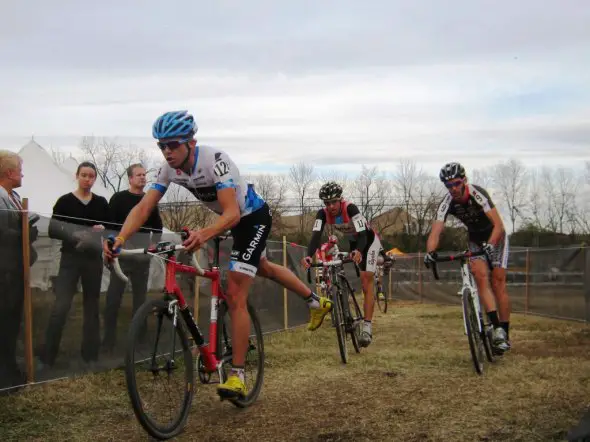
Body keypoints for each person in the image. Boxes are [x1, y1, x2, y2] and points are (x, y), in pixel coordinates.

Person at [103, 110, 333, 400]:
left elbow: (233, 213)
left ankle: (237, 375)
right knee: (262, 267)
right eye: (161, 145)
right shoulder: (168, 169)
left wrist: (205, 233)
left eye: (172, 144)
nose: (167, 151)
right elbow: (143, 207)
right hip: (229, 218)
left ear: (191, 142)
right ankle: (314, 301)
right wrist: (120, 238)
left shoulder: (216, 161)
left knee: (236, 289)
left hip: (251, 217)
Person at [424, 162, 511, 353]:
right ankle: (495, 327)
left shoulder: (477, 194)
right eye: (448, 186)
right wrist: (429, 252)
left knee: (497, 282)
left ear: (464, 181)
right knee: (480, 277)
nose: (453, 189)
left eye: (456, 184)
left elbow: (499, 225)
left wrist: (491, 244)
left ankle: (504, 332)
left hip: (496, 237)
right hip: (475, 239)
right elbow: (435, 232)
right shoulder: (446, 202)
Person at [39, 162, 110, 369]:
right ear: (77, 176)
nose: (88, 179)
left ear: (95, 179)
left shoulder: (101, 203)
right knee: (61, 306)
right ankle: (48, 356)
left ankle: (90, 355)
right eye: (84, 175)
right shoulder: (65, 202)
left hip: (92, 259)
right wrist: (73, 234)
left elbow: (111, 228)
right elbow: (52, 229)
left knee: (92, 306)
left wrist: (102, 229)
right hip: (70, 259)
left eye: (91, 176)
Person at [301, 181, 383, 348]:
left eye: (334, 202)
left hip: (367, 240)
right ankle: (344, 309)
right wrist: (309, 256)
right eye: (327, 203)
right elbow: (316, 236)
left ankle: (367, 326)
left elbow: (362, 234)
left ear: (340, 200)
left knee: (366, 281)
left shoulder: (350, 208)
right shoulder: (322, 214)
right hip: (353, 241)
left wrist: (359, 251)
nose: (331, 206)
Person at [102, 163, 163, 353]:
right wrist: (112, 244)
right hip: (121, 255)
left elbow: (158, 228)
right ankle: (108, 341)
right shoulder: (118, 199)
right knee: (113, 299)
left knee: (140, 299)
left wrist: (153, 246)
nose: (143, 178)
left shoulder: (149, 201)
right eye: (138, 175)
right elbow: (108, 225)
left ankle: (140, 340)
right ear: (130, 178)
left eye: (145, 175)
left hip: (141, 257)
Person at [0, 151, 38, 390]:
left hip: (13, 271)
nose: (22, 173)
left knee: (12, 323)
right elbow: (2, 234)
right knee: (5, 324)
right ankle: (5, 377)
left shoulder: (11, 196)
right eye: (20, 168)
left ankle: (10, 370)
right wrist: (24, 234)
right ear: (9, 173)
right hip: (3, 273)